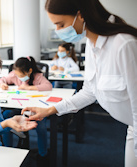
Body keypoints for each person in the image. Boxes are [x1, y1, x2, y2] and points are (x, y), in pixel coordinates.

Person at [22, 0, 137, 167]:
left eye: (60, 24)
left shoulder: (124, 44)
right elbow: (89, 92)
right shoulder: (92, 44)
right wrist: (48, 110)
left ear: (80, 15)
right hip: (132, 126)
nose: (58, 31)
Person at [0, 56, 52, 165]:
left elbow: (48, 86)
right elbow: (1, 79)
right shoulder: (14, 74)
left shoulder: (37, 76)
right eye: (16, 74)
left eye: (20, 75)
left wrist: (28, 88)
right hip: (18, 108)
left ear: (29, 71)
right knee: (6, 116)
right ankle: (8, 150)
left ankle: (42, 154)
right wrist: (2, 83)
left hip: (34, 110)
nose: (17, 77)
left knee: (41, 126)